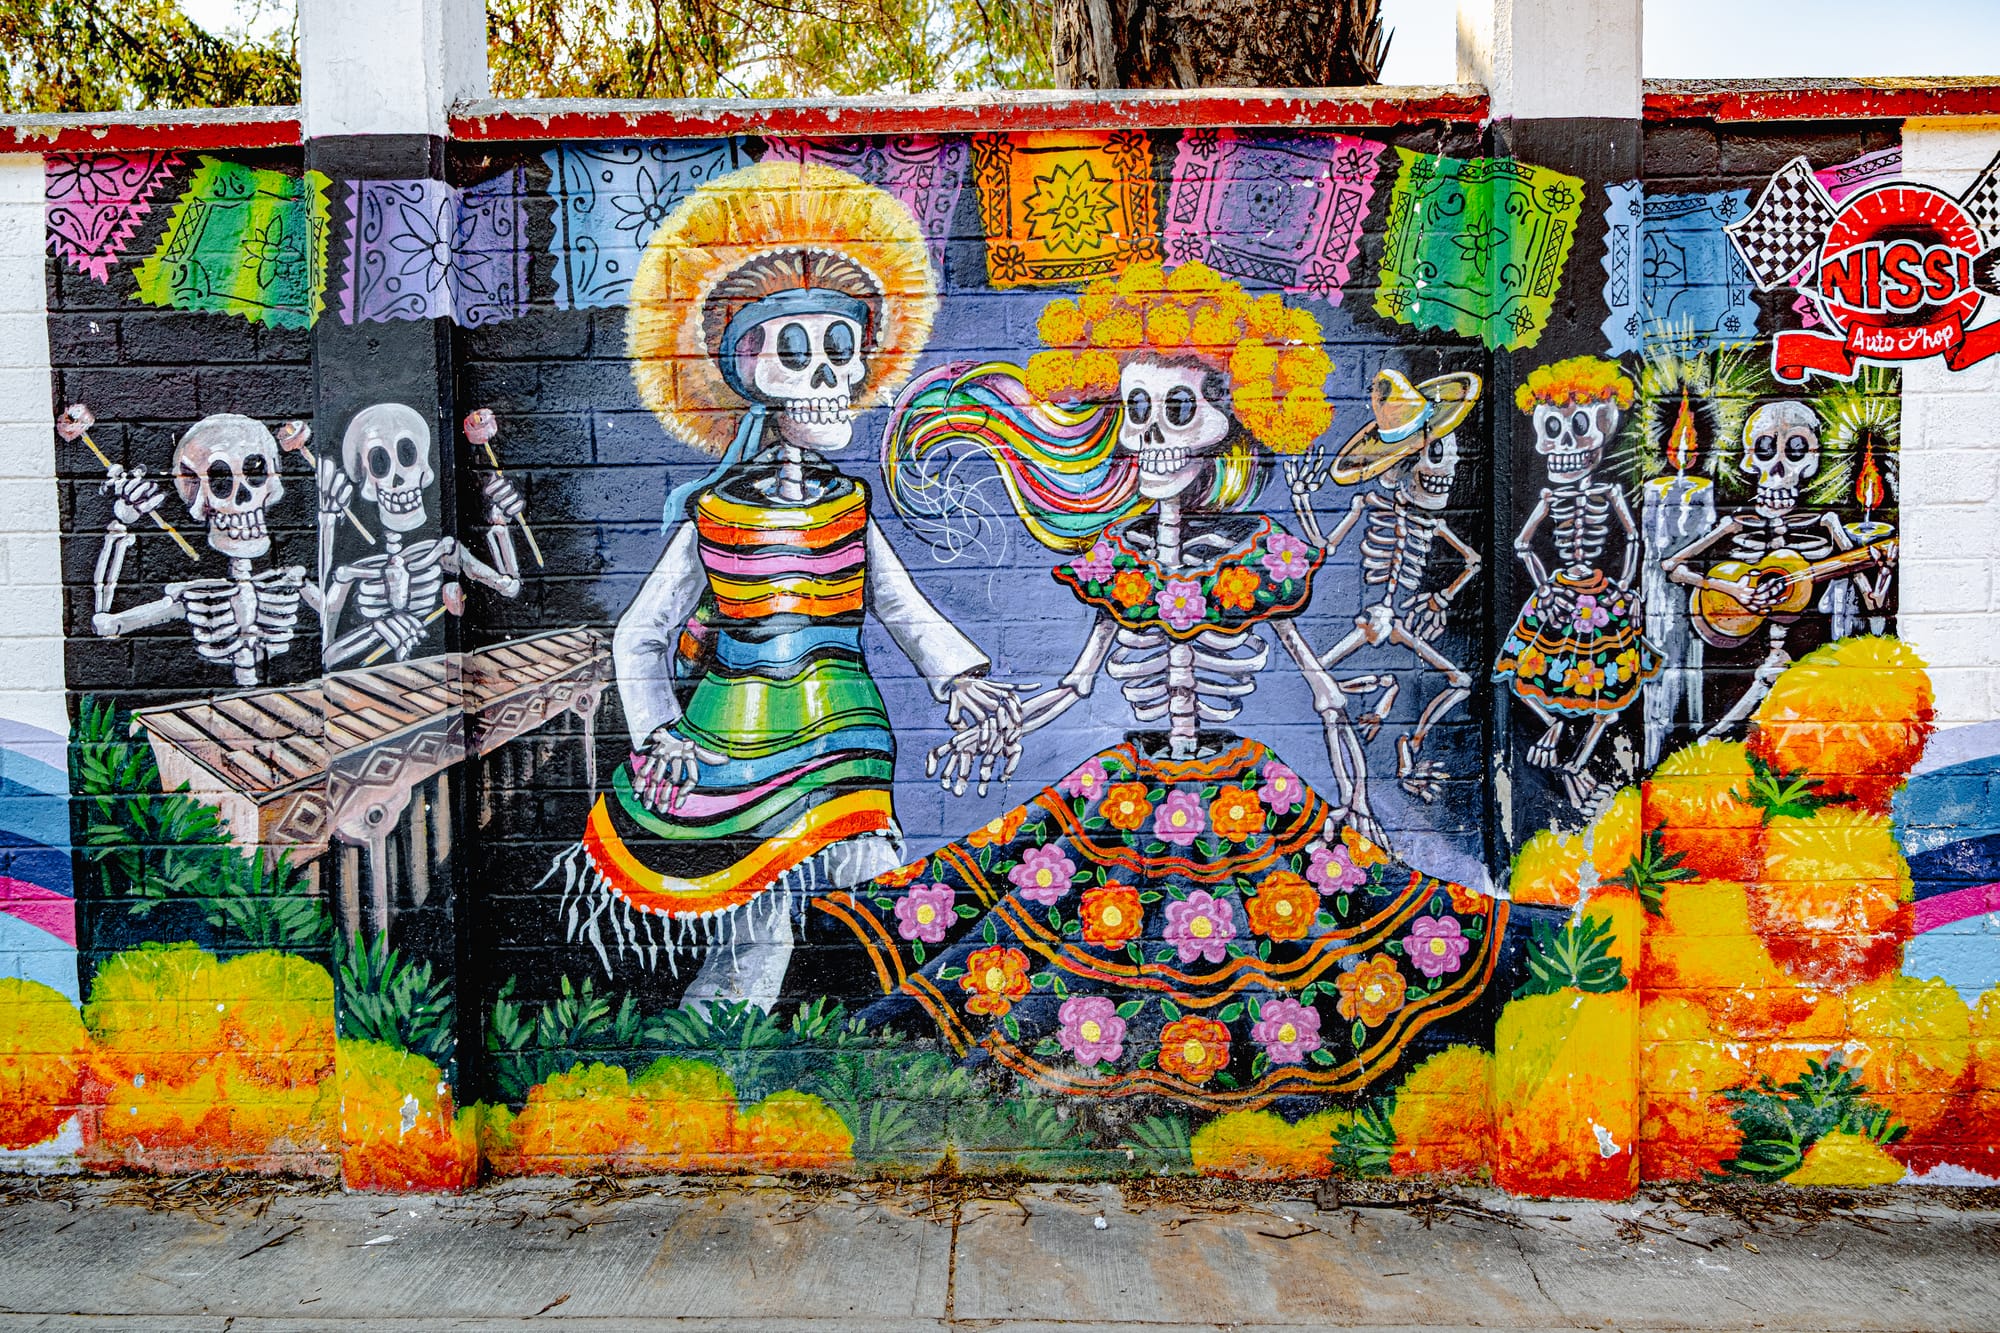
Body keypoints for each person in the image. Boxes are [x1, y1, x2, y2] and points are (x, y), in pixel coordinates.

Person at [819, 262, 1504, 1107]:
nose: (1153, 435)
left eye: (1181, 409)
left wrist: (1359, 812)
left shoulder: (1261, 555)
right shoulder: (1118, 560)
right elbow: (1073, 686)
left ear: (1235, 415)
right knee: (1045, 907)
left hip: (1238, 783)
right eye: (1135, 410)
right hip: (1132, 781)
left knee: (1295, 936)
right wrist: (995, 723)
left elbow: (1324, 690)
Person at [549, 162, 1020, 1010]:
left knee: (894, 907)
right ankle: (706, 1072)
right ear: (749, 368)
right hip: (737, 748)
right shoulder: (714, 513)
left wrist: (962, 679)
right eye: (800, 352)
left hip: (847, 744)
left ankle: (907, 1057)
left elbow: (903, 606)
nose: (831, 375)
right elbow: (641, 635)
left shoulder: (849, 507)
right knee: (756, 936)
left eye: (843, 349)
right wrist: (661, 735)